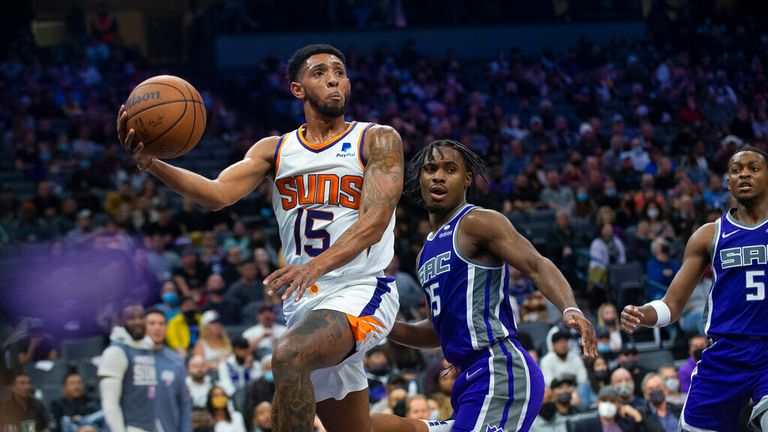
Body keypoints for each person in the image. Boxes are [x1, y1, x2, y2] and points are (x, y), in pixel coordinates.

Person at [118, 43, 404, 431]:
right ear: (297, 89)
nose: (333, 78)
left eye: (339, 71)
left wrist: (315, 265)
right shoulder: (276, 150)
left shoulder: (376, 139)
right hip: (308, 303)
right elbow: (217, 194)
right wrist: (151, 164)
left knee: (287, 355)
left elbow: (375, 220)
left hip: (360, 287)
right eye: (319, 72)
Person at [371, 140, 597, 432]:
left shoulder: (477, 222)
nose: (438, 176)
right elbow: (435, 332)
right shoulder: (423, 253)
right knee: (374, 426)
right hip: (467, 380)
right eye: (430, 169)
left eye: (449, 169)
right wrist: (379, 325)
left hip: (499, 367)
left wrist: (569, 307)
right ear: (420, 178)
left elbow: (536, 264)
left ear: (466, 179)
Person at [622, 147, 768, 431]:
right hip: (725, 353)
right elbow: (672, 305)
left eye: (754, 168)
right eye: (737, 170)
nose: (745, 174)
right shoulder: (708, 235)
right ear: (728, 182)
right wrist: (644, 314)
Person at [97, 304, 157, 432]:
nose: (138, 322)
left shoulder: (149, 349)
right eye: (131, 318)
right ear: (120, 321)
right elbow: (109, 403)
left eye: (141, 317)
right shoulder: (115, 352)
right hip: (130, 427)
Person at [146, 308, 192, 432]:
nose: (157, 328)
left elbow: (184, 402)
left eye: (161, 324)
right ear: (144, 327)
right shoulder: (134, 358)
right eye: (152, 323)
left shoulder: (176, 361)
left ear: (166, 328)